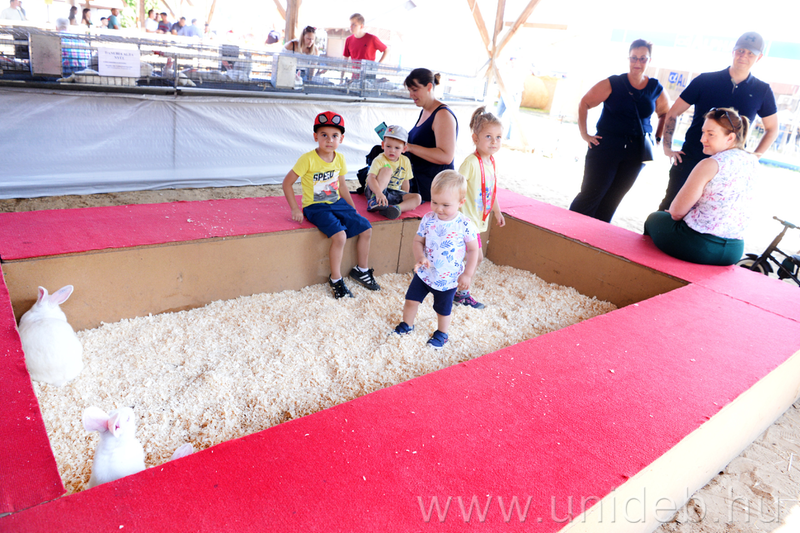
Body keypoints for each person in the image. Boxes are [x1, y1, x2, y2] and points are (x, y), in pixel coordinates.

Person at [659, 32, 778, 211]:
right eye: (741, 50)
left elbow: (772, 129)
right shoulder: (705, 80)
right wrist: (667, 148)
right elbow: (673, 113)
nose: (743, 56)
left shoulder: (762, 90)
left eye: (750, 53)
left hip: (729, 169)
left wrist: (754, 158)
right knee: (670, 210)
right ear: (733, 51)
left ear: (759, 57)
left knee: (709, 217)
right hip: (691, 159)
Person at [282, 111, 380, 299]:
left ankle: (362, 270)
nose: (329, 140)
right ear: (315, 137)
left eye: (334, 135)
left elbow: (342, 186)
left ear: (341, 139)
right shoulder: (307, 159)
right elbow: (287, 183)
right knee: (340, 236)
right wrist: (295, 208)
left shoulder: (340, 158)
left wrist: (352, 208)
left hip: (337, 202)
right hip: (315, 206)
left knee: (366, 228)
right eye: (324, 135)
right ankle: (336, 279)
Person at [569, 39, 669, 223]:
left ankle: (596, 236)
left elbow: (665, 113)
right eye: (634, 58)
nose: (637, 62)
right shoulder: (613, 83)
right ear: (628, 58)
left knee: (612, 200)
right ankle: (566, 230)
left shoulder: (655, 87)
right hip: (606, 147)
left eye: (643, 58)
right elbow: (585, 103)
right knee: (591, 194)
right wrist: (585, 134)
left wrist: (657, 138)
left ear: (649, 60)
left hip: (636, 152)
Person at [644, 107, 756, 266]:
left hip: (701, 246)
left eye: (711, 134)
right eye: (703, 132)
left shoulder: (711, 164)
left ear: (730, 137)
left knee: (654, 218)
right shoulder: (753, 162)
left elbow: (676, 212)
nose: (703, 139)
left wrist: (677, 214)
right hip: (734, 250)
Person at [393, 170, 480, 349]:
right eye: (434, 202)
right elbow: (418, 241)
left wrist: (467, 274)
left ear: (461, 202)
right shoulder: (428, 219)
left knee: (443, 310)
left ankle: (442, 333)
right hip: (425, 274)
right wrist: (420, 257)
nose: (439, 209)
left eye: (446, 205)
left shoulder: (464, 224)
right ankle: (407, 324)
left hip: (448, 278)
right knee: (411, 300)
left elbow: (473, 251)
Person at [456, 107, 506, 309]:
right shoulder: (470, 162)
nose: (494, 141)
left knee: (471, 257)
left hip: (478, 220)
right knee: (475, 257)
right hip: (466, 220)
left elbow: (491, 191)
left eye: (498, 137)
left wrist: (497, 211)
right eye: (488, 136)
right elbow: (455, 187)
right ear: (475, 138)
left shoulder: (491, 162)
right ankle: (461, 292)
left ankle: (456, 289)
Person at [404, 68, 458, 203]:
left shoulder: (443, 114)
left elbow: (446, 156)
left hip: (435, 188)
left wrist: (410, 147)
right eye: (409, 91)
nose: (411, 95)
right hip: (420, 182)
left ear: (429, 87)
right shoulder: (425, 111)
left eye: (415, 90)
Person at [365, 125, 422, 219]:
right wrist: (378, 193)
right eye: (388, 146)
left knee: (417, 198)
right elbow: (370, 178)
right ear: (383, 145)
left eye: (397, 148)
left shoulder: (405, 161)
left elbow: (405, 182)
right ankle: (374, 201)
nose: (392, 150)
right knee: (387, 170)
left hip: (393, 192)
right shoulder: (379, 159)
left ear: (404, 149)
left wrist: (404, 195)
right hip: (376, 190)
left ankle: (396, 208)